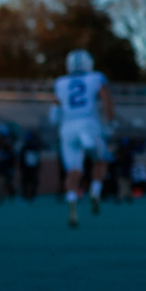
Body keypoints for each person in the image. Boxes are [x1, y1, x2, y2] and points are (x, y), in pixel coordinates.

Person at [51, 50, 110, 229]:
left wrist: (56, 121)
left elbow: (55, 109)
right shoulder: (96, 78)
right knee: (101, 160)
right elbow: (107, 99)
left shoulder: (60, 82)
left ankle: (73, 208)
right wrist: (110, 121)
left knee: (73, 171)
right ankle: (95, 190)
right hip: (89, 124)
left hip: (67, 127)